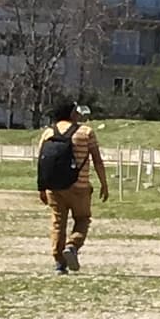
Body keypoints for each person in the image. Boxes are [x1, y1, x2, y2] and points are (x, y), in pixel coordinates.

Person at [33, 100, 107, 274]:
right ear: (72, 113)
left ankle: (59, 263)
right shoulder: (86, 132)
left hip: (54, 187)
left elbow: (42, 162)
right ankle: (72, 246)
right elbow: (97, 159)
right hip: (79, 186)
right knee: (82, 219)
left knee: (58, 223)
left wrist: (41, 188)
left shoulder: (48, 133)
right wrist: (104, 183)